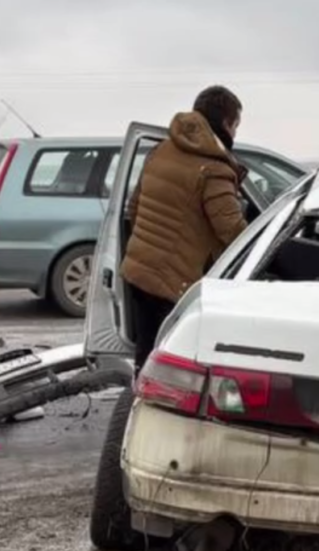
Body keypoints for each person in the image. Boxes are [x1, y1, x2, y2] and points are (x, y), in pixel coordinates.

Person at [120, 85, 249, 374]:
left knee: (146, 355)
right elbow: (232, 233)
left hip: (139, 269)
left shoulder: (162, 150)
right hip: (174, 282)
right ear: (226, 123)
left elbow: (134, 207)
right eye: (236, 125)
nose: (235, 133)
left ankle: (135, 395)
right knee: (172, 368)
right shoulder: (214, 169)